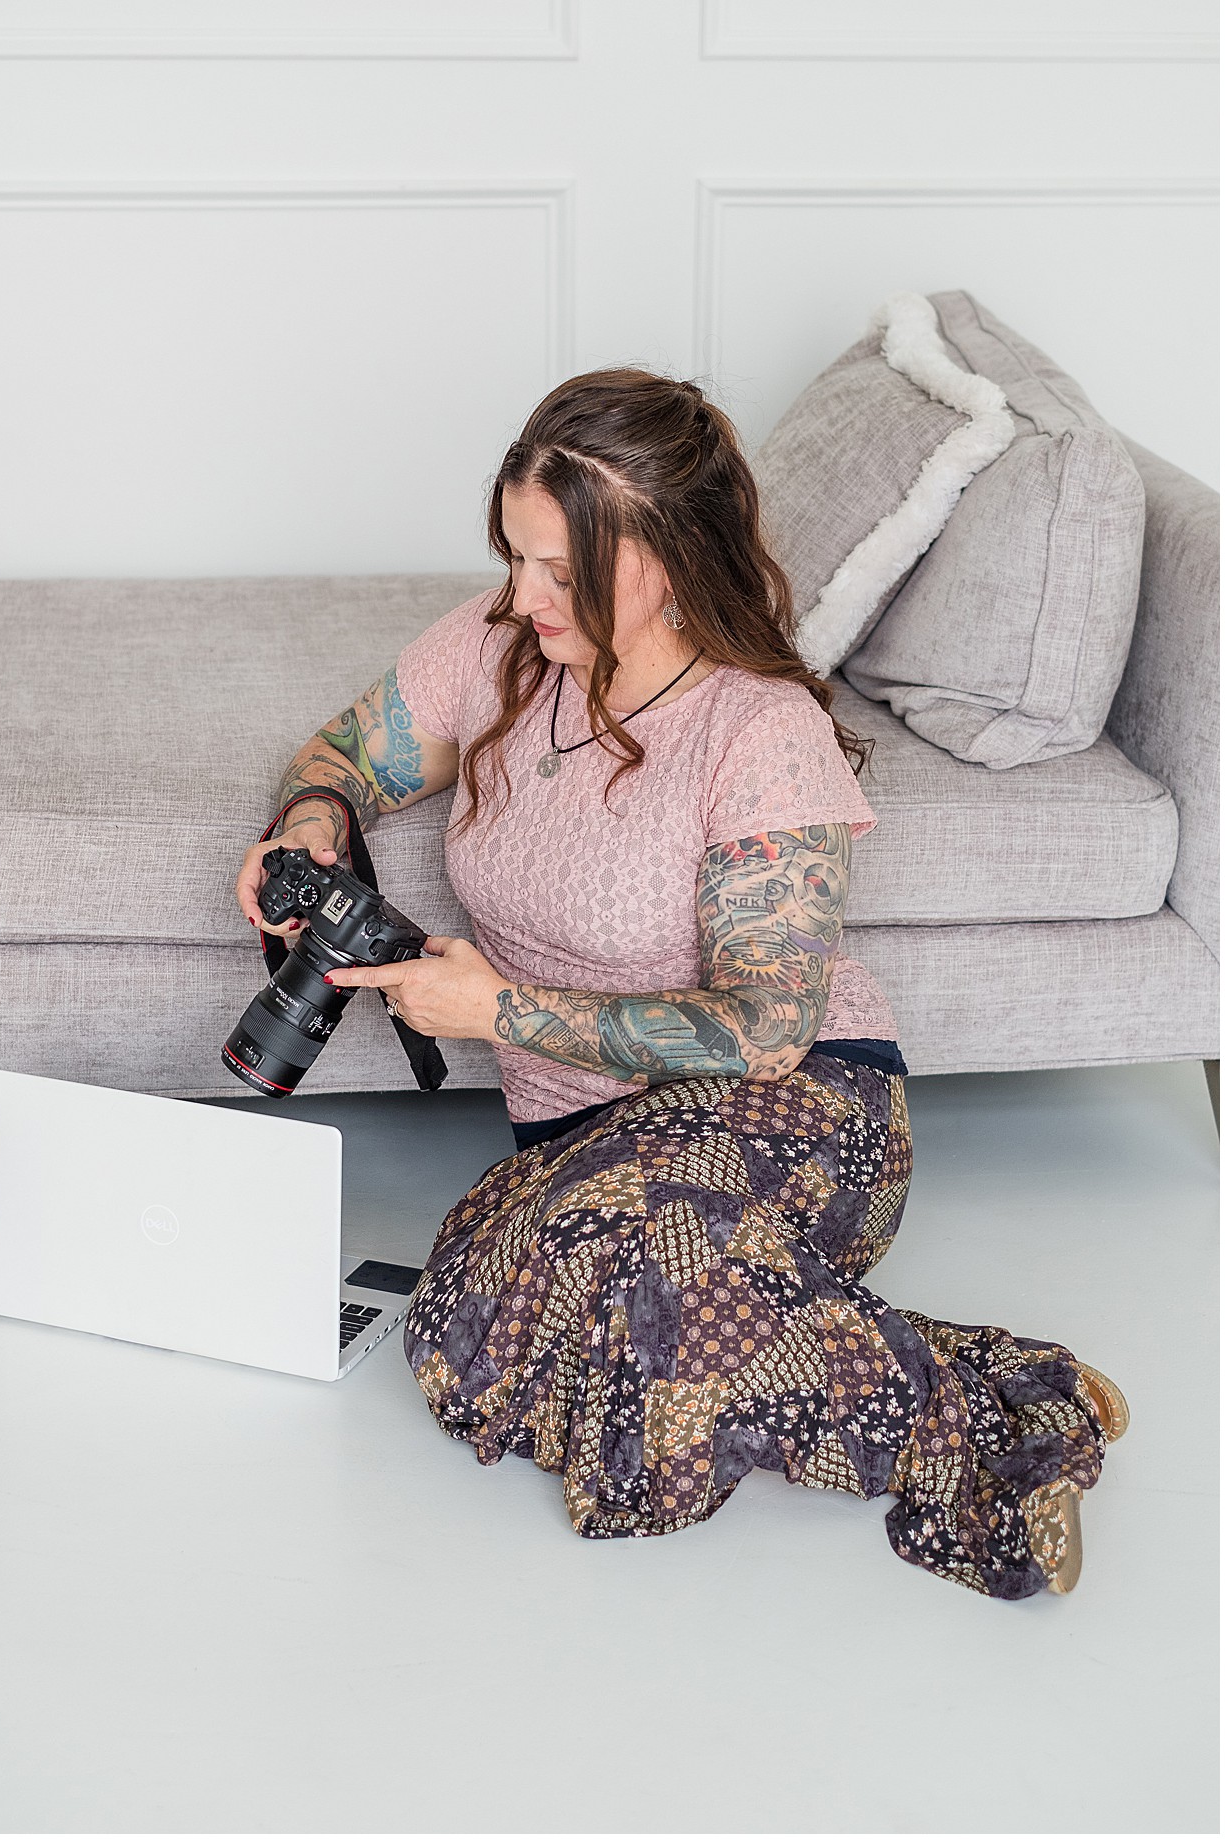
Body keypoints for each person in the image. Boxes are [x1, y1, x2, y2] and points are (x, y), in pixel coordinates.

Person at [235, 368, 1128, 1599]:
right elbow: (343, 749)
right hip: (591, 1132)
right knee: (460, 1327)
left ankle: (989, 1431)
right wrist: (316, 815)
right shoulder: (503, 649)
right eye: (514, 558)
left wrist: (496, 1012)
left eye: (557, 570)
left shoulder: (754, 731)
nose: (520, 596)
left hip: (800, 1106)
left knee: (648, 1285)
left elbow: (765, 1025)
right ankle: (952, 1360)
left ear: (655, 556)